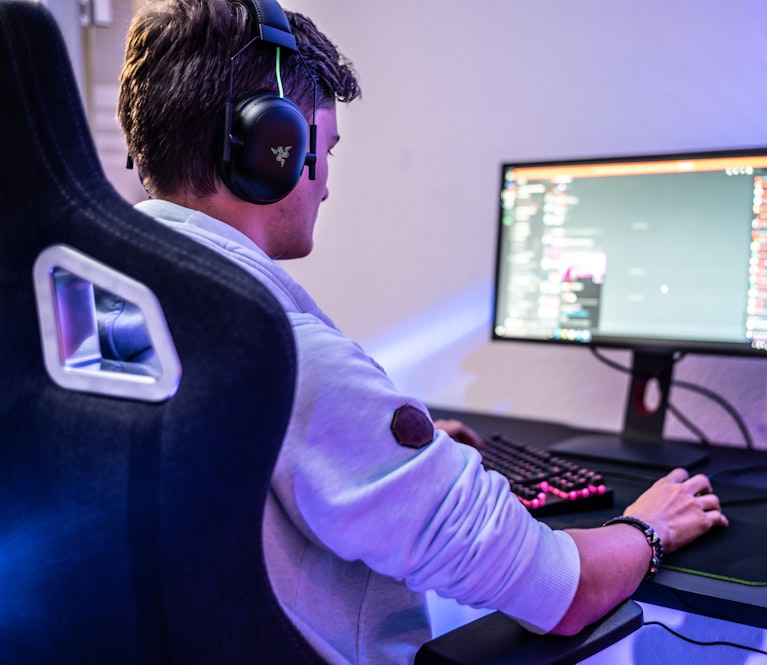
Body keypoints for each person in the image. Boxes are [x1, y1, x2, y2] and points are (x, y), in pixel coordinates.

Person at [116, 1, 728, 662]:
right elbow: (566, 592)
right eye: (325, 149)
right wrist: (649, 525)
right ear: (273, 149)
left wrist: (399, 456)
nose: (324, 187)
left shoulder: (96, 312)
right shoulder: (281, 354)